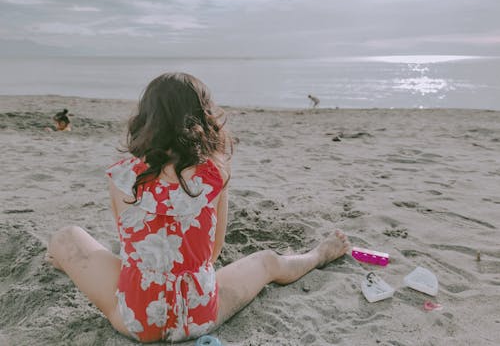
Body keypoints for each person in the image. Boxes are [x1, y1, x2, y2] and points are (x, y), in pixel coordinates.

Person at [46, 73, 350, 343]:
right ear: (202, 117)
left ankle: (64, 262)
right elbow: (213, 252)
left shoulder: (121, 175)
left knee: (67, 237)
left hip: (136, 318)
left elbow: (128, 246)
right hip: (199, 313)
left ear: (146, 118)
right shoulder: (215, 174)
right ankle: (319, 255)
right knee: (268, 262)